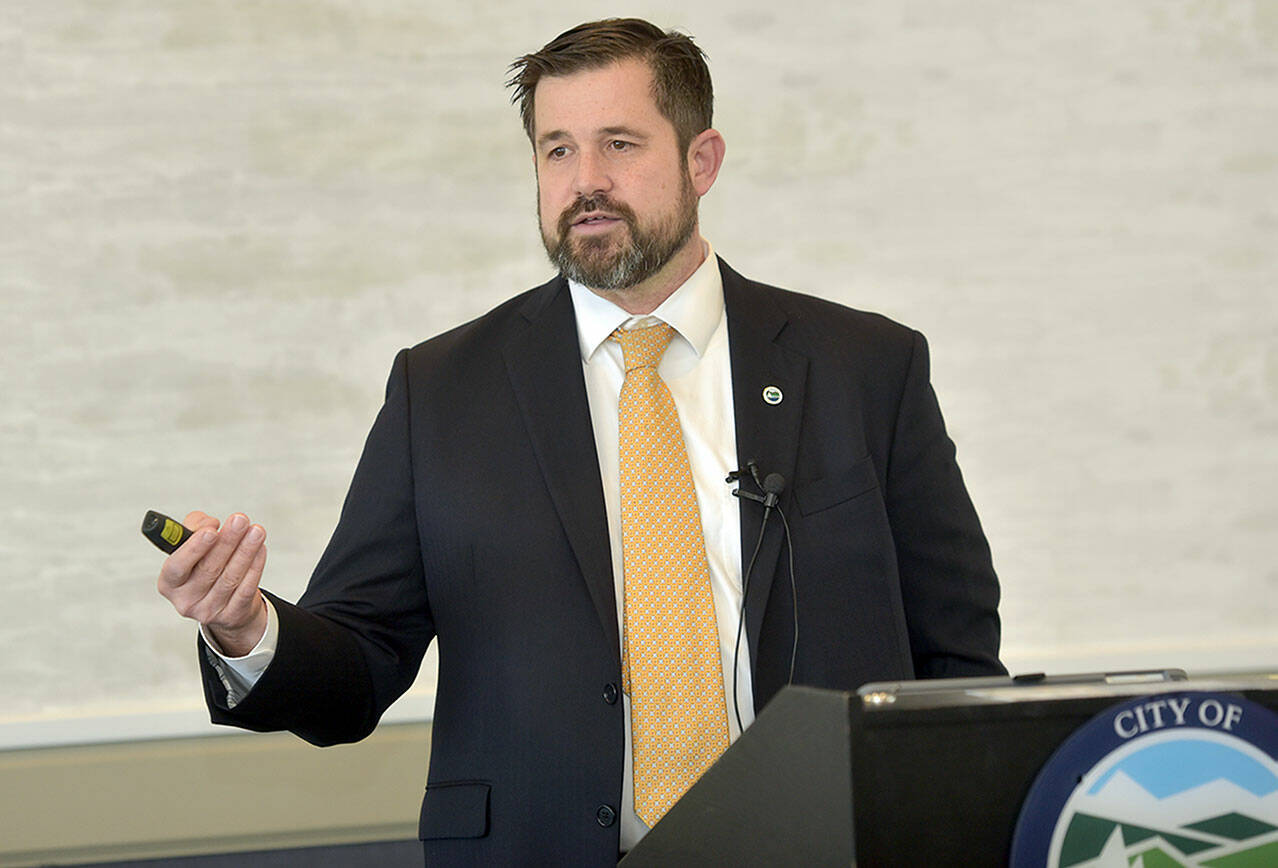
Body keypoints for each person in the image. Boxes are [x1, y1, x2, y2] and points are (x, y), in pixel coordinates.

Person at [157, 17, 1005, 866]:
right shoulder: (445, 389)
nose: (586, 181)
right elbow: (360, 662)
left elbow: (957, 657)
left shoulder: (863, 367)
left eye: (620, 145)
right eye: (557, 150)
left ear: (700, 162)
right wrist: (248, 631)